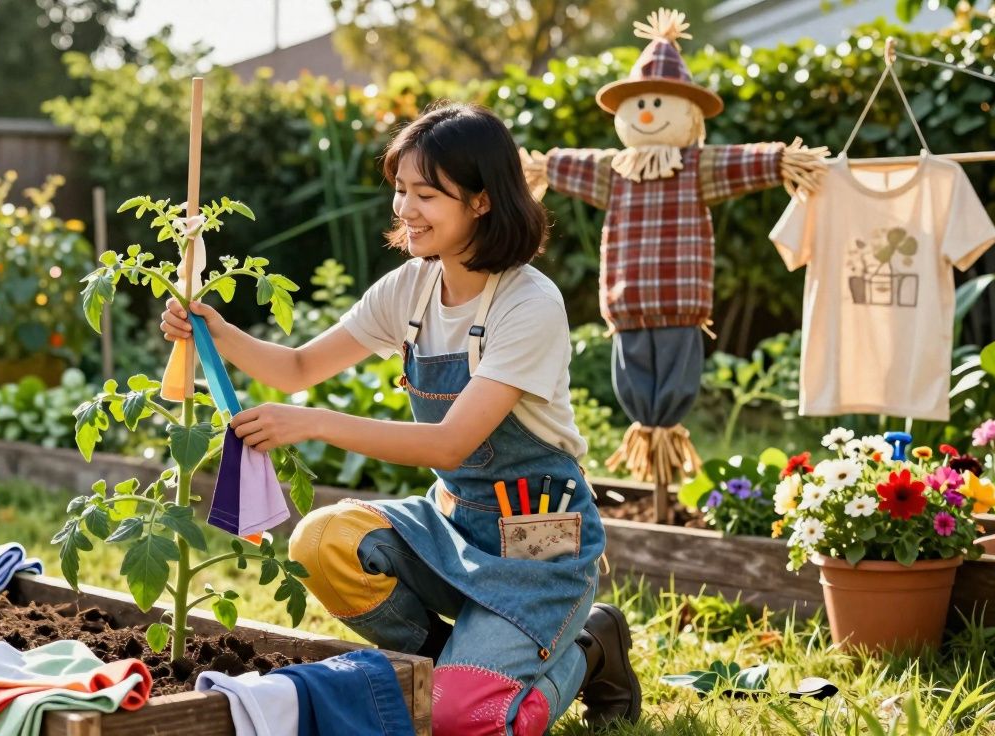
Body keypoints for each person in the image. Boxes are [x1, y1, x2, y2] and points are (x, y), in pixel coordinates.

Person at [161, 102, 640, 735]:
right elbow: (300, 367)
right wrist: (217, 333)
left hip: (537, 548)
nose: (405, 209)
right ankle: (457, 669)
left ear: (481, 201)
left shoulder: (530, 303)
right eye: (400, 191)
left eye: (426, 194)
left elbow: (450, 443)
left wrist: (311, 423)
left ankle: (589, 647)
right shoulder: (409, 288)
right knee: (322, 543)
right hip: (454, 530)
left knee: (472, 721)